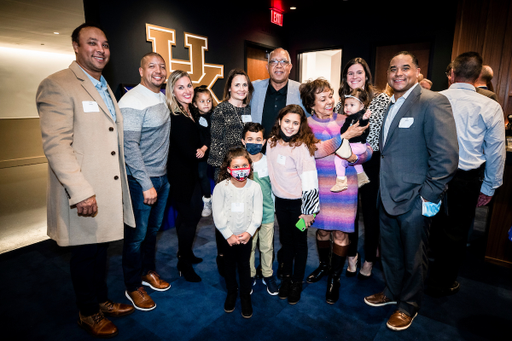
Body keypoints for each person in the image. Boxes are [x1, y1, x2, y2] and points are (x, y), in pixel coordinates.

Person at [36, 23, 135, 338]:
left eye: (105, 44)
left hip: (106, 189)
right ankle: (87, 312)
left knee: (100, 250)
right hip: (83, 193)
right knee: (84, 255)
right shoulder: (58, 84)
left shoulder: (103, 86)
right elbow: (56, 145)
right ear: (75, 47)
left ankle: (101, 300)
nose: (101, 50)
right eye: (92, 43)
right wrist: (80, 193)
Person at [364, 51, 459, 331]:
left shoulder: (432, 101)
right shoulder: (390, 104)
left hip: (415, 198)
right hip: (387, 194)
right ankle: (392, 292)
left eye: (405, 68)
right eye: (393, 69)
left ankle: (409, 305)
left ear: (418, 71)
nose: (398, 73)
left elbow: (446, 157)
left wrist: (428, 196)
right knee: (391, 252)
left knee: (414, 257)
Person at [427, 52, 505, 297]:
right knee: (457, 231)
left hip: (433, 175)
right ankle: (442, 282)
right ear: (478, 76)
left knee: (430, 225)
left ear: (451, 74)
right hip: (466, 179)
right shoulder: (491, 106)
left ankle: (423, 273)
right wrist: (490, 187)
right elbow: (496, 152)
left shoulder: (433, 99)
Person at [302, 78, 372, 304]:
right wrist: (343, 137)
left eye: (330, 96)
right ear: (311, 104)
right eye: (322, 99)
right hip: (318, 185)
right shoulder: (304, 124)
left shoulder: (348, 119)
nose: (330, 101)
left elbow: (368, 149)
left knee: (341, 233)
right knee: (321, 231)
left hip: (345, 186)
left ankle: (335, 277)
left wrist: (356, 157)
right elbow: (314, 151)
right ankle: (324, 266)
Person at [119, 52, 171, 312]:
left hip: (161, 178)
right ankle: (132, 286)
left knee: (152, 232)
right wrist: (146, 182)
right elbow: (129, 146)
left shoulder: (160, 96)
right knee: (136, 237)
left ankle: (146, 272)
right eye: (152, 66)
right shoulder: (132, 100)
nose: (158, 70)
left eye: (162, 66)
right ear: (141, 71)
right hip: (142, 181)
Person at [334, 58, 390, 279]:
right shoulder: (342, 103)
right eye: (350, 73)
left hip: (370, 160)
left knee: (370, 212)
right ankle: (351, 255)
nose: (354, 77)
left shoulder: (380, 99)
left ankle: (368, 259)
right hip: (346, 160)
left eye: (359, 72)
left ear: (367, 75)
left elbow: (380, 134)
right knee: (349, 212)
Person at [266, 104, 321, 305]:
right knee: (286, 242)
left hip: (299, 208)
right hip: (281, 205)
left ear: (301, 126)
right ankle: (287, 279)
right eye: (287, 121)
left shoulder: (302, 148)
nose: (290, 126)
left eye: (295, 123)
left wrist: (308, 213)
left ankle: (297, 282)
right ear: (280, 121)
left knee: (299, 243)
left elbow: (310, 180)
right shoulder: (271, 142)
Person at [208, 68, 254, 276]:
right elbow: (216, 144)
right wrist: (224, 176)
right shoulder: (221, 110)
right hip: (226, 172)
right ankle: (223, 256)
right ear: (229, 88)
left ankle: (242, 256)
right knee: (224, 216)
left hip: (246, 172)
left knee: (243, 214)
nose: (242, 88)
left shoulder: (249, 109)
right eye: (237, 84)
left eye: (245, 84)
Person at [212, 147, 263, 319]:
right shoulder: (221, 188)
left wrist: (249, 232)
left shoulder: (255, 187)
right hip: (226, 236)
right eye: (236, 166)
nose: (240, 169)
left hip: (245, 236)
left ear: (249, 166)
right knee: (228, 265)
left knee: (244, 266)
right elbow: (217, 215)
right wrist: (228, 235)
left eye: (244, 165)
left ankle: (245, 296)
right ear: (228, 169)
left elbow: (258, 214)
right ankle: (231, 292)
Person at [166, 70, 204, 282]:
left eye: (189, 85)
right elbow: (188, 151)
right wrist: (206, 150)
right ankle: (183, 263)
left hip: (192, 174)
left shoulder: (191, 112)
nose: (187, 90)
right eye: (181, 87)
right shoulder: (176, 116)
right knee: (189, 218)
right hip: (181, 176)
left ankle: (186, 252)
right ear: (172, 91)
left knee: (191, 216)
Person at [241, 123, 279, 295]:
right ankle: (249, 275)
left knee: (266, 247)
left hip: (267, 213)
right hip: (246, 216)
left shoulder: (269, 162)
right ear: (243, 141)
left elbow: (274, 188)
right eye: (250, 139)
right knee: (248, 247)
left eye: (258, 139)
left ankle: (267, 274)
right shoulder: (240, 163)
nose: (254, 143)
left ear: (264, 142)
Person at [251, 47, 307, 137]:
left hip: (291, 149)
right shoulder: (254, 88)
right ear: (267, 67)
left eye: (284, 61)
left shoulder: (302, 91)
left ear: (290, 67)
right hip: (259, 150)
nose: (279, 65)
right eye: (274, 61)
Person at [331, 88, 371, 192]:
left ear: (361, 106)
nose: (348, 108)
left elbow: (361, 125)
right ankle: (362, 177)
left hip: (358, 145)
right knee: (356, 162)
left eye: (352, 105)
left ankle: (341, 182)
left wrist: (365, 118)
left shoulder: (359, 116)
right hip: (356, 145)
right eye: (346, 105)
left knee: (339, 158)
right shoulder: (350, 117)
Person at [191, 85, 215, 217]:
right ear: (195, 104)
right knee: (201, 175)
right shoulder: (192, 116)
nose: (206, 104)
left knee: (218, 176)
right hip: (200, 153)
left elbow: (211, 135)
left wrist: (204, 148)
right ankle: (206, 199)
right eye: (202, 101)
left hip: (210, 150)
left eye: (208, 100)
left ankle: (215, 201)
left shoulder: (213, 116)